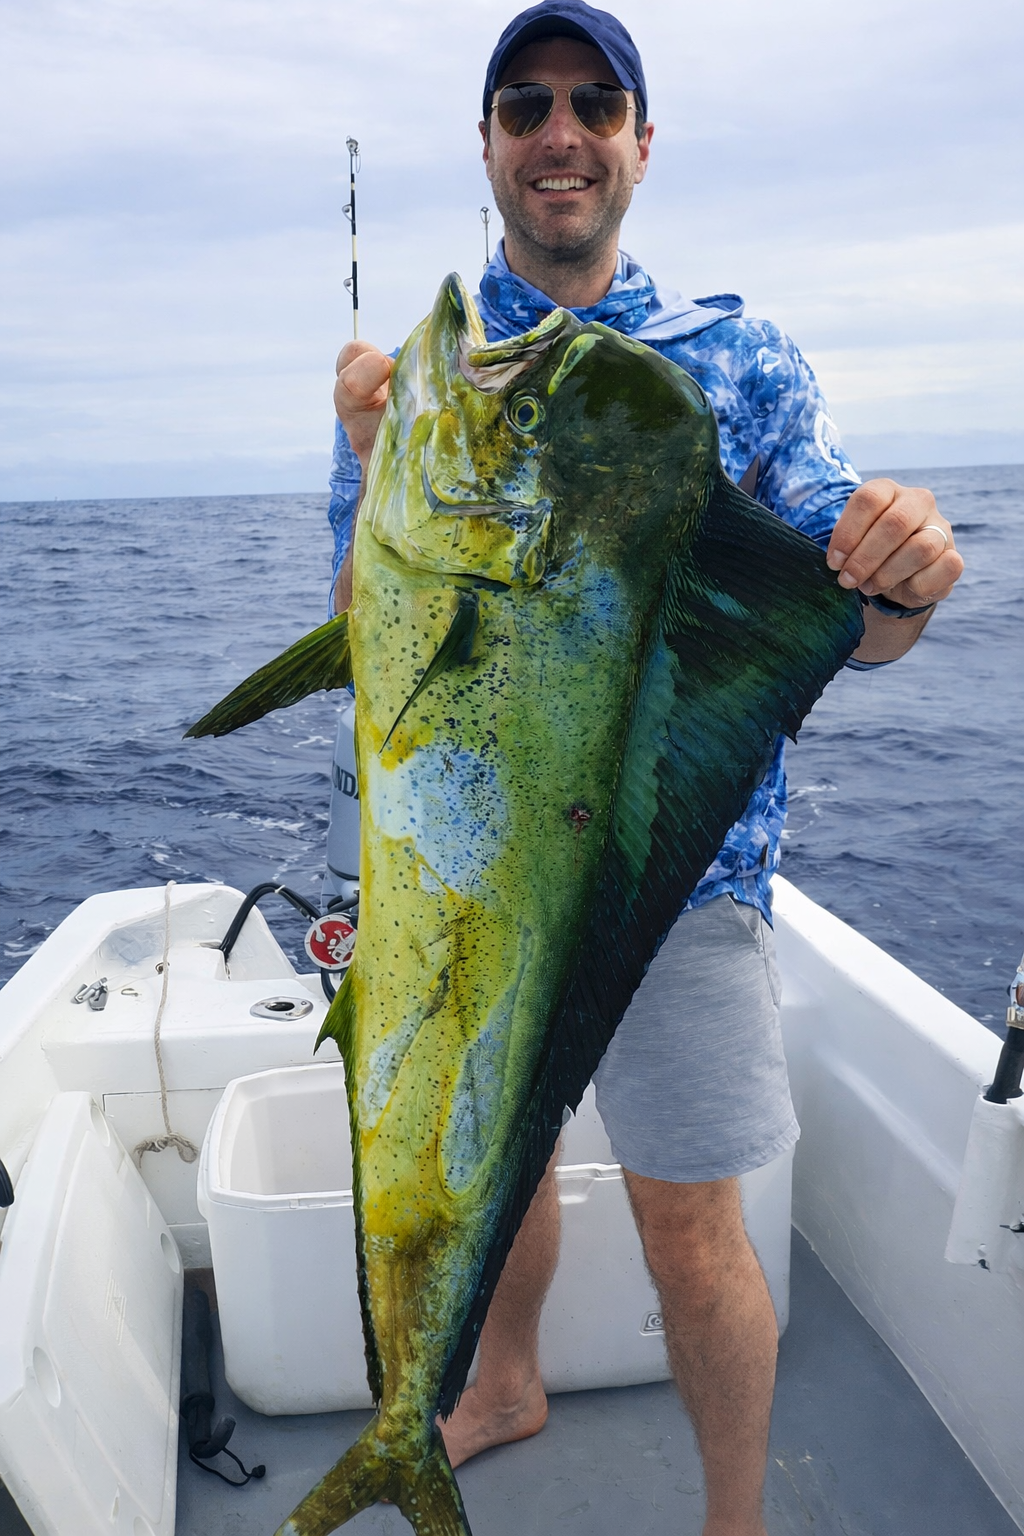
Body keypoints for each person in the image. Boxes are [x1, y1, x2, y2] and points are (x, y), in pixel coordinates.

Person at [324, 5, 965, 1533]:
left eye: (595, 106)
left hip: (683, 877)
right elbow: (362, 628)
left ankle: (735, 1519)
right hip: (470, 861)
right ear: (487, 144)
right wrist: (357, 462)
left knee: (691, 1226)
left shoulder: (733, 360)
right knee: (505, 1171)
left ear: (639, 145)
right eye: (527, 104)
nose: (562, 133)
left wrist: (903, 569)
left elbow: (851, 625)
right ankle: (498, 1383)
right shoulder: (426, 375)